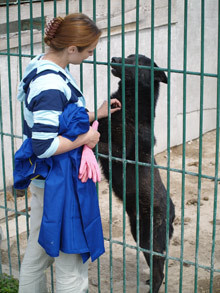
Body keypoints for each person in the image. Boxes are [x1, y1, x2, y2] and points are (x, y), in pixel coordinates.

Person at [16, 13, 121, 293]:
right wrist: (86, 137)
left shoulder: (41, 64)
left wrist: (92, 114)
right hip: (58, 182)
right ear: (72, 49)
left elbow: (57, 117)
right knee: (71, 262)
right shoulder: (50, 84)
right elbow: (44, 145)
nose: (91, 55)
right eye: (89, 51)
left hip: (44, 179)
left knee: (39, 253)